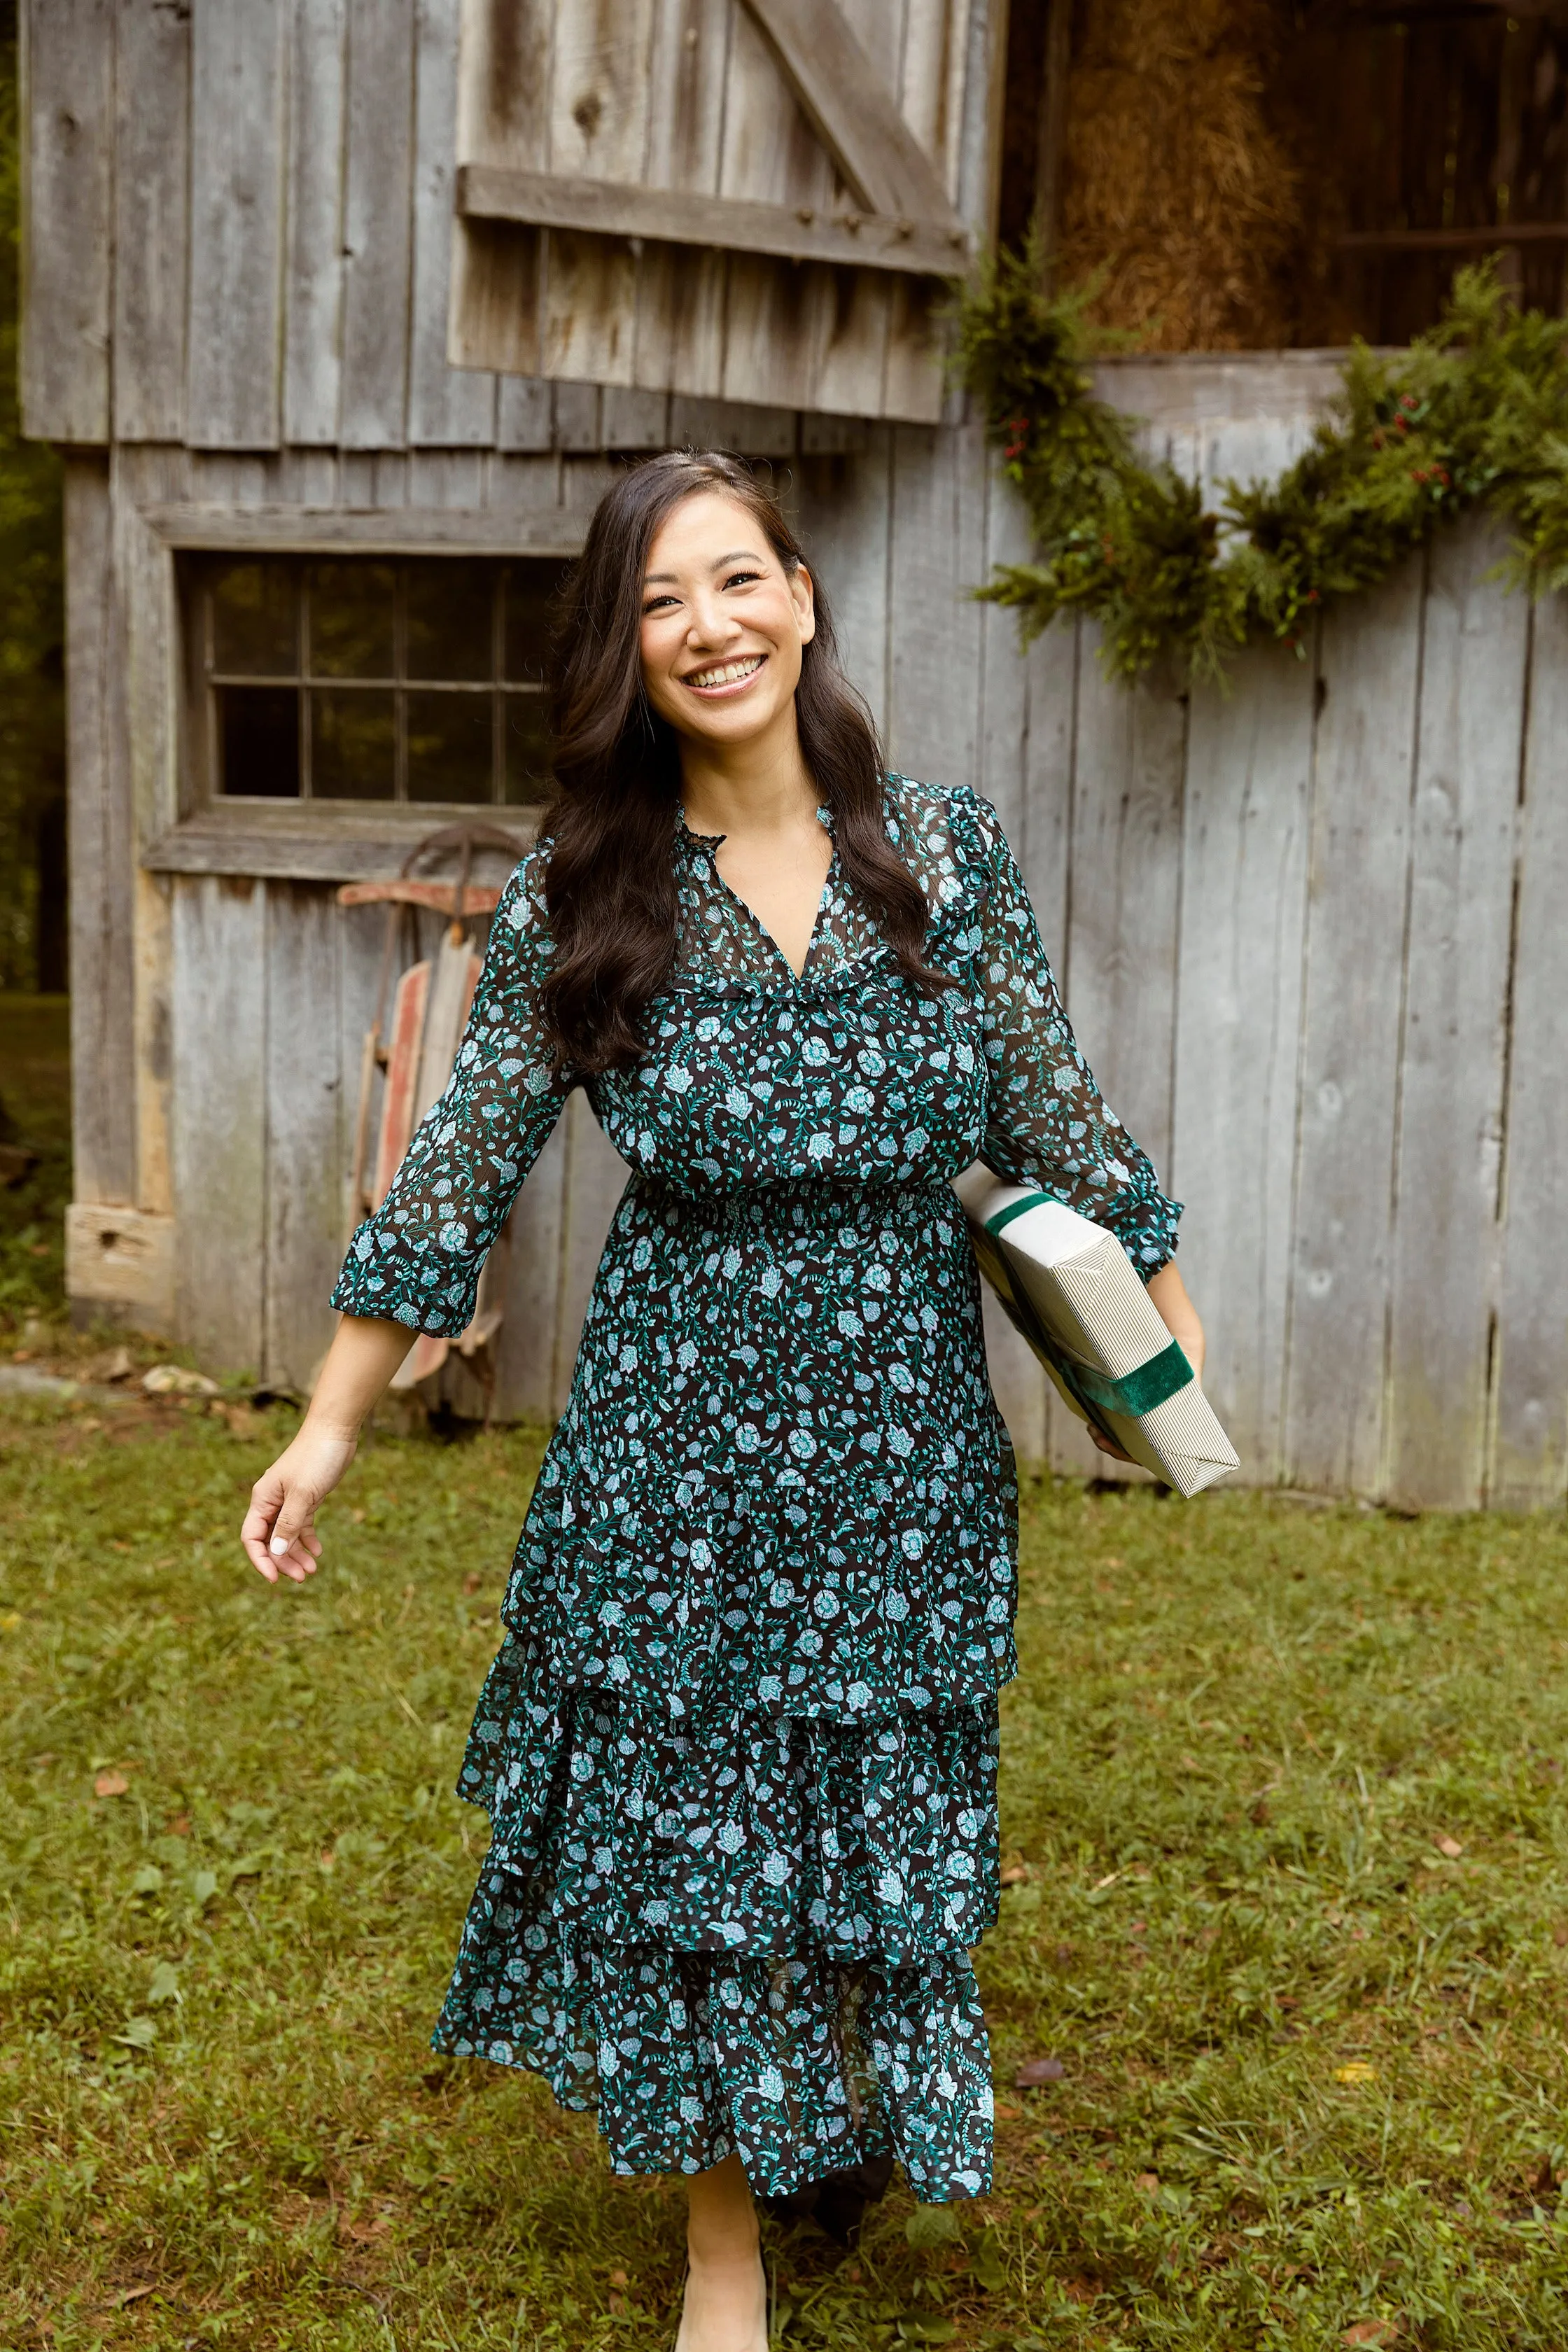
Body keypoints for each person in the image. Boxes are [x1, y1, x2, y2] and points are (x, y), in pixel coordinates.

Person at [240, 449, 1204, 2352]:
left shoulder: (939, 850)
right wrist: (329, 1425)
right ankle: (724, 2257)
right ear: (628, 651)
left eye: (739, 579)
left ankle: (815, 2127)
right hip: (675, 1458)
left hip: (905, 1451)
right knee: (703, 1844)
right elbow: (454, 1178)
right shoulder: (585, 894)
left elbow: (1064, 1121)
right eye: (663, 600)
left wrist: (1177, 1380)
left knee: (857, 1811)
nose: (712, 625)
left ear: (804, 599)